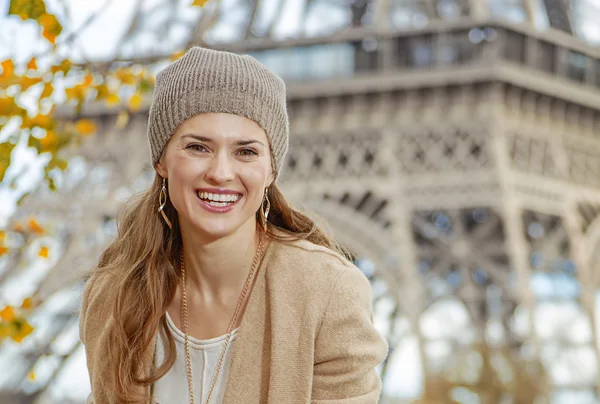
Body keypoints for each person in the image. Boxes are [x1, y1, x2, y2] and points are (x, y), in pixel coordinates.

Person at [79, 46, 388, 404]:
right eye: (198, 147)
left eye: (246, 152)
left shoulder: (328, 293)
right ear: (161, 160)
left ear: (271, 170)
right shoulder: (111, 297)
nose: (221, 173)